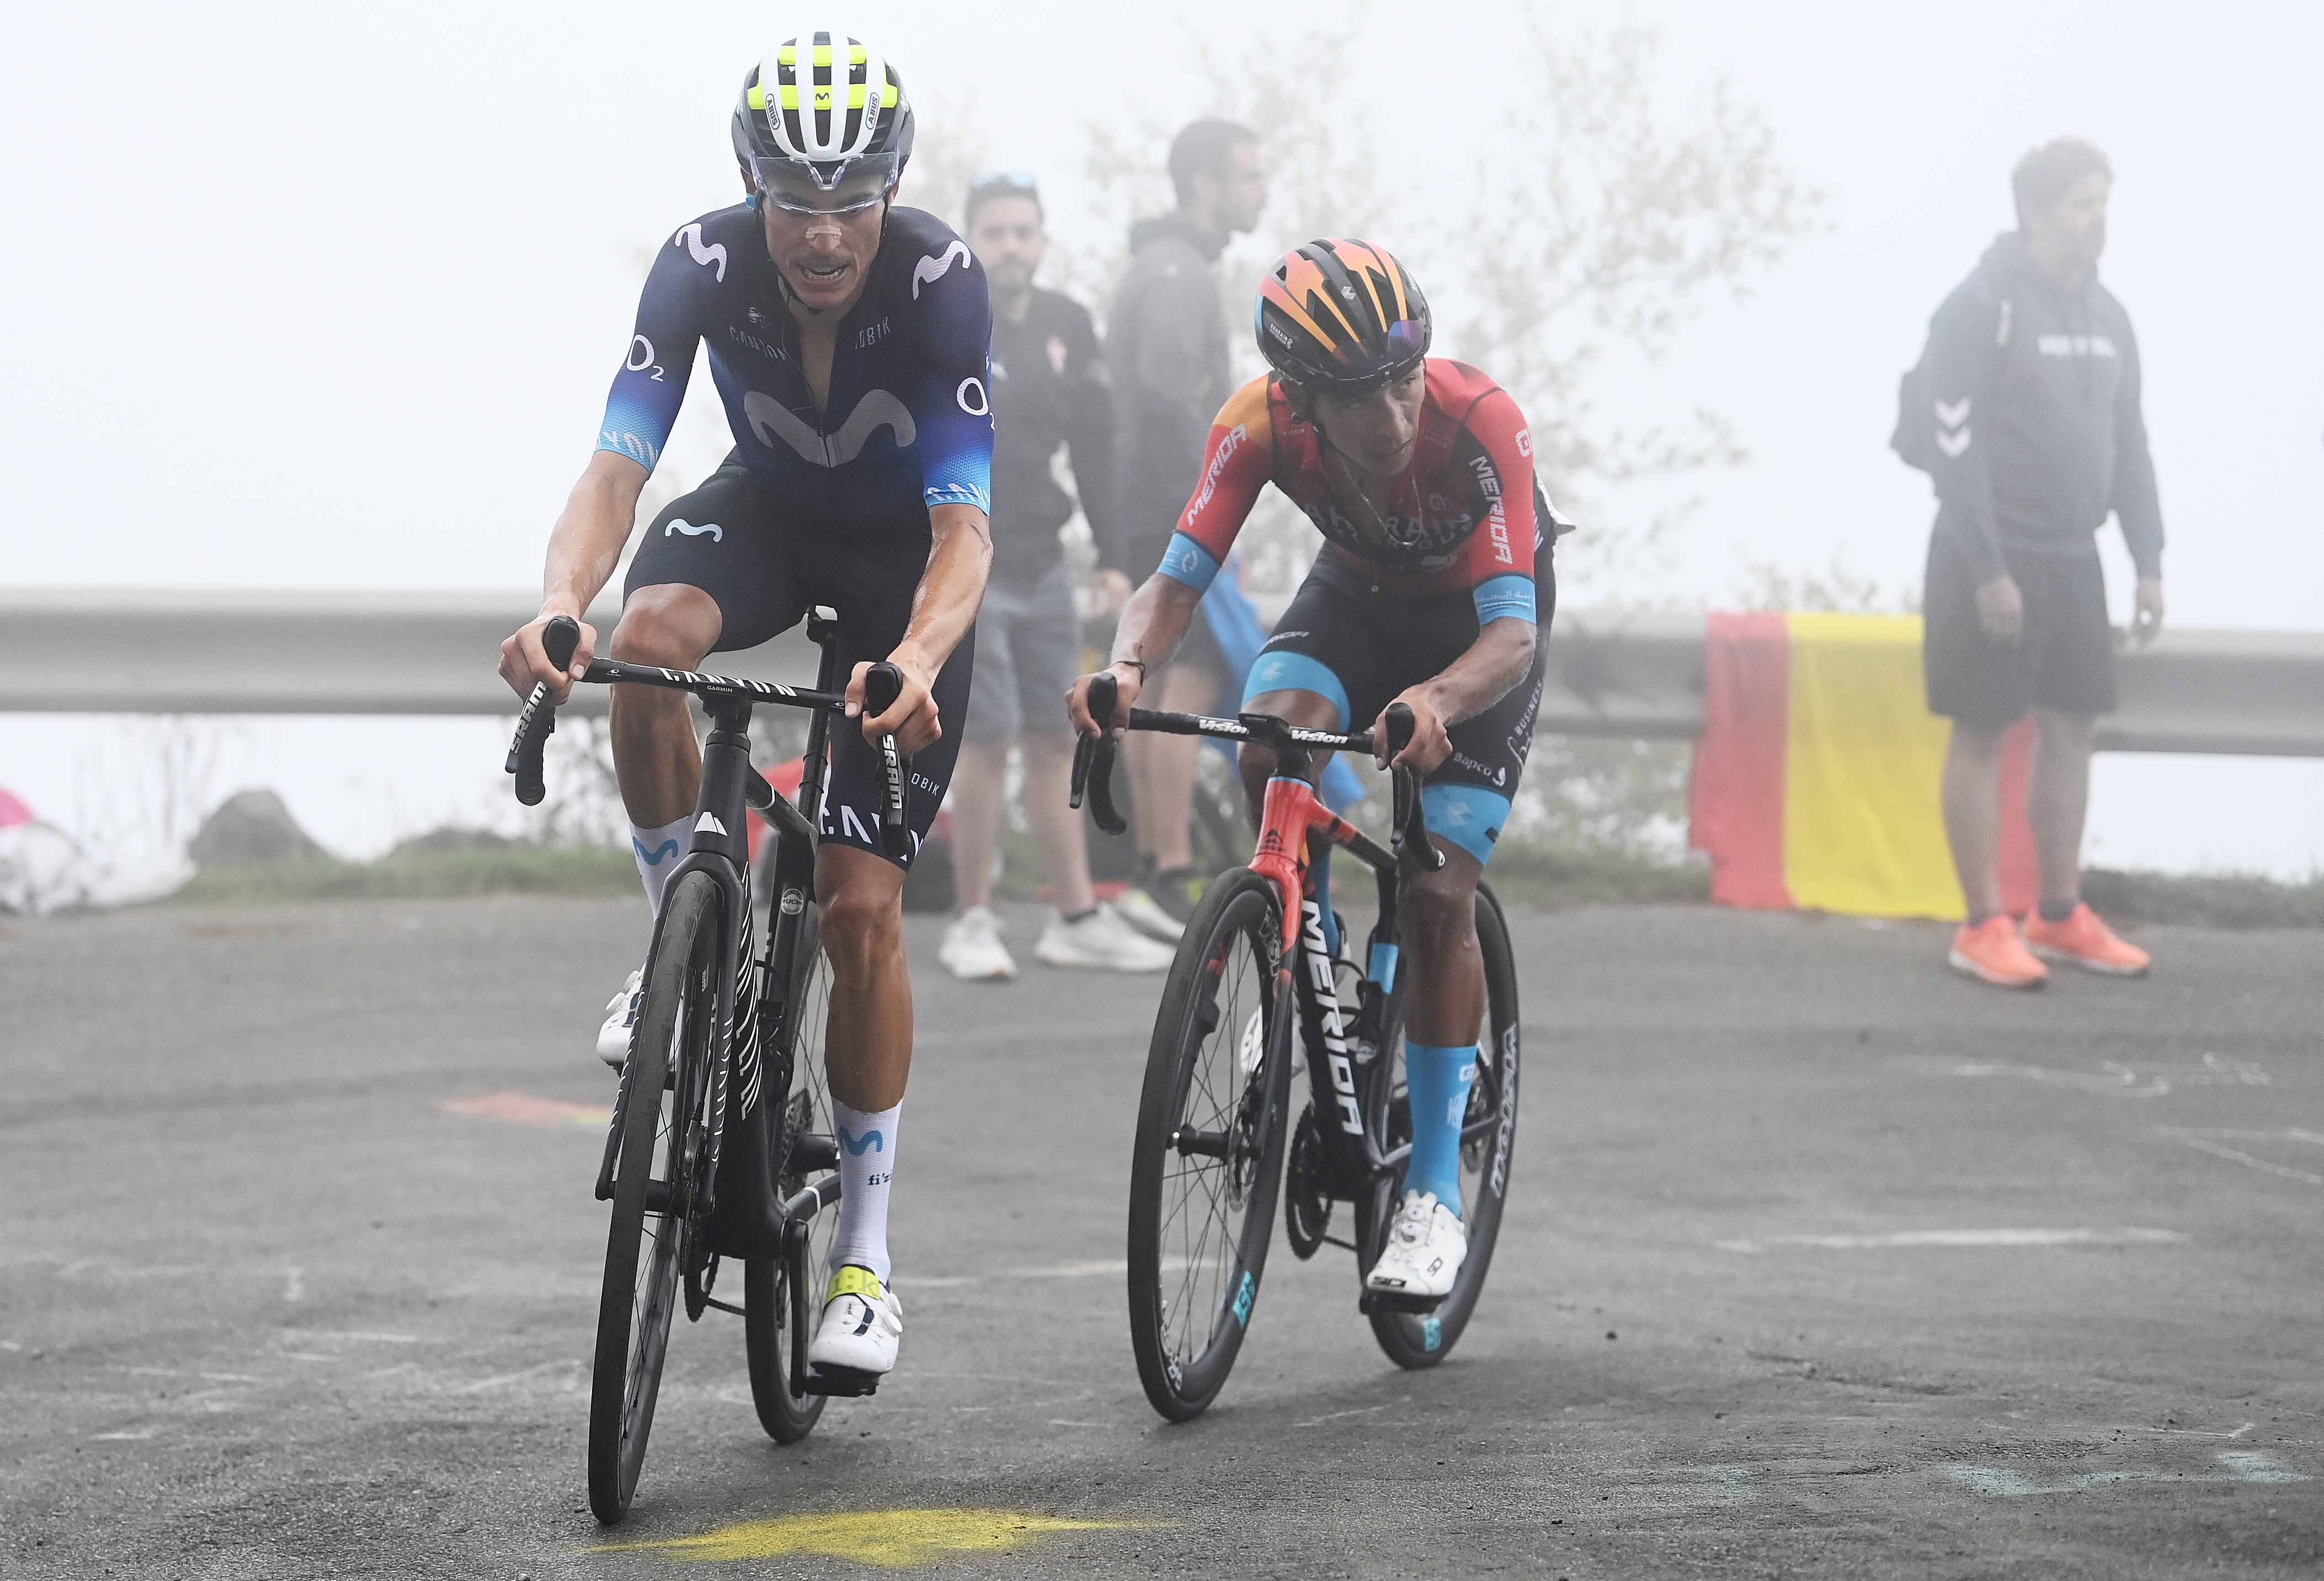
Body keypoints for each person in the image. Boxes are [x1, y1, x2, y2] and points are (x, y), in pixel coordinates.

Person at [496, 33, 993, 1382]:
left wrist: (924, 654)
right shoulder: (701, 264)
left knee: (856, 906)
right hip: (771, 514)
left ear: (888, 191)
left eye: (850, 204)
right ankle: (682, 945)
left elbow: (965, 525)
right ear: (751, 190)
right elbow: (620, 462)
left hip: (902, 568)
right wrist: (562, 604)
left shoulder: (940, 278)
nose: (825, 235)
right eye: (795, 203)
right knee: (648, 642)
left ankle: (870, 1257)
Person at [1070, 239, 1560, 1303]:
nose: (1388, 418)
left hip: (1480, 631)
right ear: (1299, 397)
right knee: (1267, 738)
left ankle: (1432, 1189)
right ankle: (1301, 942)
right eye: (1354, 397)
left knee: (1437, 895)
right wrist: (1121, 668)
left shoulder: (1480, 422)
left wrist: (1434, 700)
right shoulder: (1256, 424)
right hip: (1359, 592)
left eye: (1399, 381)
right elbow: (1175, 580)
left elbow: (1511, 639)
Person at [1916, 136, 2163, 988]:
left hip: (2074, 554)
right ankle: (1983, 923)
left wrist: (2148, 557)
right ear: (2035, 212)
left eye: (2103, 201)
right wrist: (1989, 568)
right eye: (2083, 203)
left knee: (2072, 727)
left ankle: (2058, 912)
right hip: (1988, 553)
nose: (2099, 219)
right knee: (1984, 732)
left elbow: (2128, 439)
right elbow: (1952, 448)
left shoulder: (2108, 317)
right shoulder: (1978, 305)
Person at [935, 174, 1174, 980]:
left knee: (1052, 734)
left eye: (1023, 231)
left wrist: (1113, 557)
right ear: (970, 238)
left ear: (1041, 240)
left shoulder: (1070, 325)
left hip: (1043, 564)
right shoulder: (945, 315)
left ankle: (1073, 913)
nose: (1010, 245)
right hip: (965, 560)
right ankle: (972, 917)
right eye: (995, 231)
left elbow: (1097, 448)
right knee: (985, 736)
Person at [1099, 119, 1270, 941]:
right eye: (1247, 176)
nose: (1259, 191)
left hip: (1152, 503)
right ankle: (1167, 870)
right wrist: (1213, 499)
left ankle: (1153, 868)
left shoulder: (1171, 264)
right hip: (1174, 504)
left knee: (1162, 677)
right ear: (1203, 183)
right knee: (1187, 679)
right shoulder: (1176, 273)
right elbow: (1167, 395)